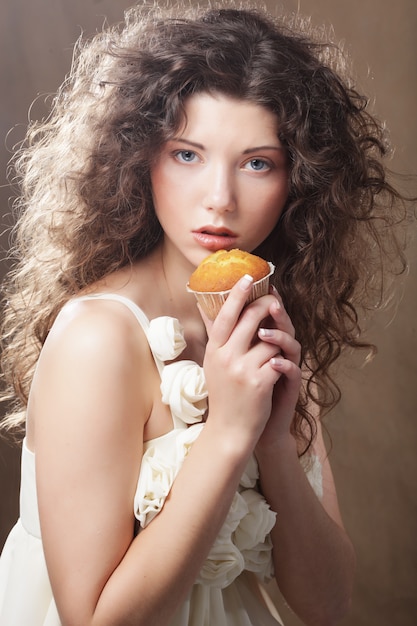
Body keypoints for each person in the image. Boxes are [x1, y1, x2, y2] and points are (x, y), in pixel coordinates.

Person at [0, 3, 410, 625]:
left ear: (298, 181)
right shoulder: (97, 339)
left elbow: (328, 605)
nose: (220, 199)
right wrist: (225, 436)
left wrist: (274, 440)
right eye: (188, 154)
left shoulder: (264, 322)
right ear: (140, 157)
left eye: (257, 163)